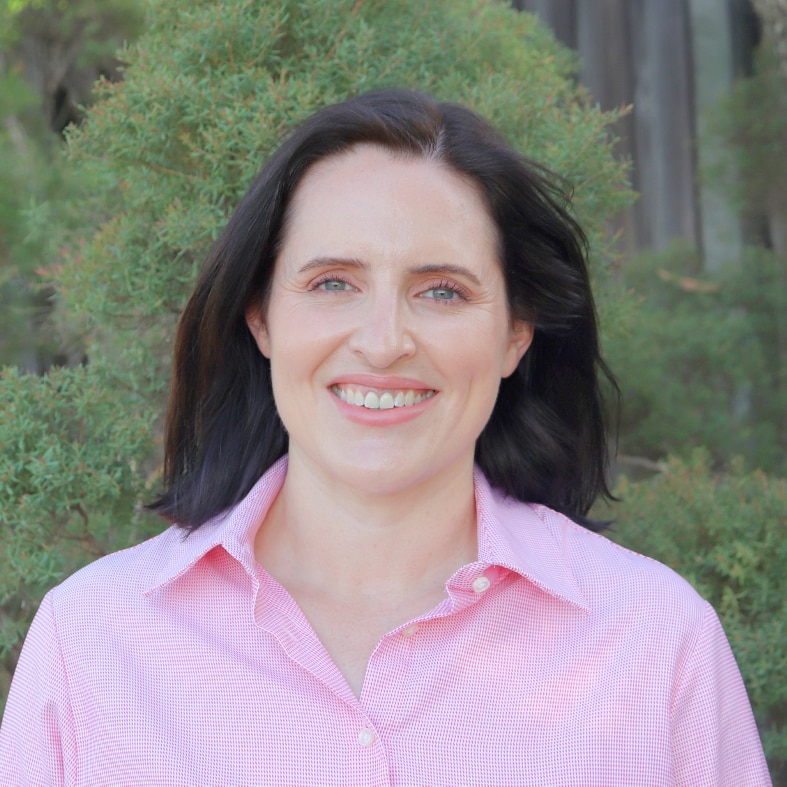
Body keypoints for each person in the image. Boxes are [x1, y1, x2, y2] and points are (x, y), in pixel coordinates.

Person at [0, 89, 770, 786]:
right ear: (261, 314)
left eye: (441, 290)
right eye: (333, 281)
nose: (382, 340)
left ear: (515, 333)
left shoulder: (654, 640)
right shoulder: (92, 642)